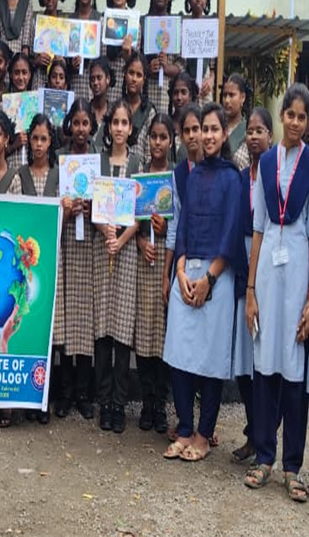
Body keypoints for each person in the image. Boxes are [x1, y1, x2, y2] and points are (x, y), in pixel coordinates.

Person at [243, 84, 309, 501]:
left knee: (293, 372)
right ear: (282, 117)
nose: (294, 122)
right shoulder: (267, 162)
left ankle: (293, 465)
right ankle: (264, 457)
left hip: (297, 269)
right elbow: (257, 227)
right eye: (288, 115)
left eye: (301, 116)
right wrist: (251, 289)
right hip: (268, 276)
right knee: (265, 367)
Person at [162, 103, 247, 462]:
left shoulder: (233, 177)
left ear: (224, 134)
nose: (208, 136)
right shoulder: (192, 176)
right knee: (178, 353)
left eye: (214, 129)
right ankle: (183, 427)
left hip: (218, 276)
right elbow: (181, 228)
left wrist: (209, 279)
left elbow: (231, 233)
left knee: (211, 360)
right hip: (187, 271)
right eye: (203, 129)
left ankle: (202, 432)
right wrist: (180, 274)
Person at [94, 101, 142, 434]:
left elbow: (142, 211)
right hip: (102, 248)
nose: (120, 128)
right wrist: (105, 232)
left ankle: (119, 403)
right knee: (102, 329)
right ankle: (103, 401)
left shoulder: (137, 164)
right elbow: (93, 206)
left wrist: (122, 240)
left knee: (123, 330)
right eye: (115, 122)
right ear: (108, 127)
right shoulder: (98, 163)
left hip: (126, 253)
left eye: (125, 122)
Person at [230, 106, 273, 465]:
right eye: (251, 131)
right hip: (243, 269)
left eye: (261, 130)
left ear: (270, 137)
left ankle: (265, 439)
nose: (255, 136)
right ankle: (253, 432)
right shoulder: (242, 178)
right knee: (244, 361)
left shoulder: (276, 178)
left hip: (269, 273)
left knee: (263, 361)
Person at [57, 99, 99, 420]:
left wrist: (92, 209)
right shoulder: (62, 162)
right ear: (68, 125)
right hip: (65, 244)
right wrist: (66, 209)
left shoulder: (98, 165)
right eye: (76, 123)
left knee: (84, 314)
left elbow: (110, 207)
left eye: (86, 123)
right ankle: (65, 389)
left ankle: (84, 391)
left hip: (90, 247)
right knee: (65, 317)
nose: (81, 129)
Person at [19, 114, 61, 425]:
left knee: (50, 327)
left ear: (51, 142)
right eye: (34, 138)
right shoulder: (20, 175)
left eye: (44, 139)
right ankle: (26, 394)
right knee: (27, 323)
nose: (38, 145)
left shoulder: (61, 175)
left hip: (54, 260)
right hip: (26, 264)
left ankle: (46, 395)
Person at [134, 113, 174, 433]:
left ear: (171, 141)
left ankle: (161, 404)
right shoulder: (140, 176)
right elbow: (130, 219)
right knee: (144, 332)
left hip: (166, 260)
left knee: (162, 334)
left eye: (163, 137)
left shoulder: (174, 178)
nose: (157, 142)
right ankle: (146, 402)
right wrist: (139, 239)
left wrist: (164, 230)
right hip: (142, 258)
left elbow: (180, 223)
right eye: (153, 136)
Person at [144, 0, 184, 112]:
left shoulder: (176, 27)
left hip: (169, 100)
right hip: (145, 96)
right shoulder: (143, 24)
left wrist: (167, 68)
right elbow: (133, 61)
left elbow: (182, 65)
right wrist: (147, 69)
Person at [104, 0, 139, 105]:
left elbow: (137, 61)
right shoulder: (103, 20)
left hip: (126, 87)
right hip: (105, 88)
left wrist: (127, 56)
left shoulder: (134, 23)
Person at [68, 0, 101, 103]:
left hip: (94, 84)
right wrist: (72, 64)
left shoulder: (100, 20)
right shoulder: (70, 20)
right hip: (74, 83)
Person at [32, 0, 68, 89]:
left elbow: (71, 61)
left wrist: (63, 61)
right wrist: (37, 60)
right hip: (40, 79)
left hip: (59, 83)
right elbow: (27, 60)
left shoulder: (65, 25)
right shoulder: (36, 23)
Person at [119, 53, 156, 163]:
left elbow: (150, 152)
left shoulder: (149, 112)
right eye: (131, 73)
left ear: (144, 79)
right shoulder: (117, 108)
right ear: (125, 74)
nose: (134, 79)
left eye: (138, 75)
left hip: (140, 171)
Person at [222, 73, 251, 167]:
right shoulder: (217, 129)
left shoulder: (248, 130)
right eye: (224, 95)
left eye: (231, 95)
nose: (227, 100)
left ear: (242, 97)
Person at [170, 72, 200, 162]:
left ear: (191, 95)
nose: (179, 97)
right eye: (175, 93)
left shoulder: (200, 124)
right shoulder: (167, 125)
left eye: (183, 92)